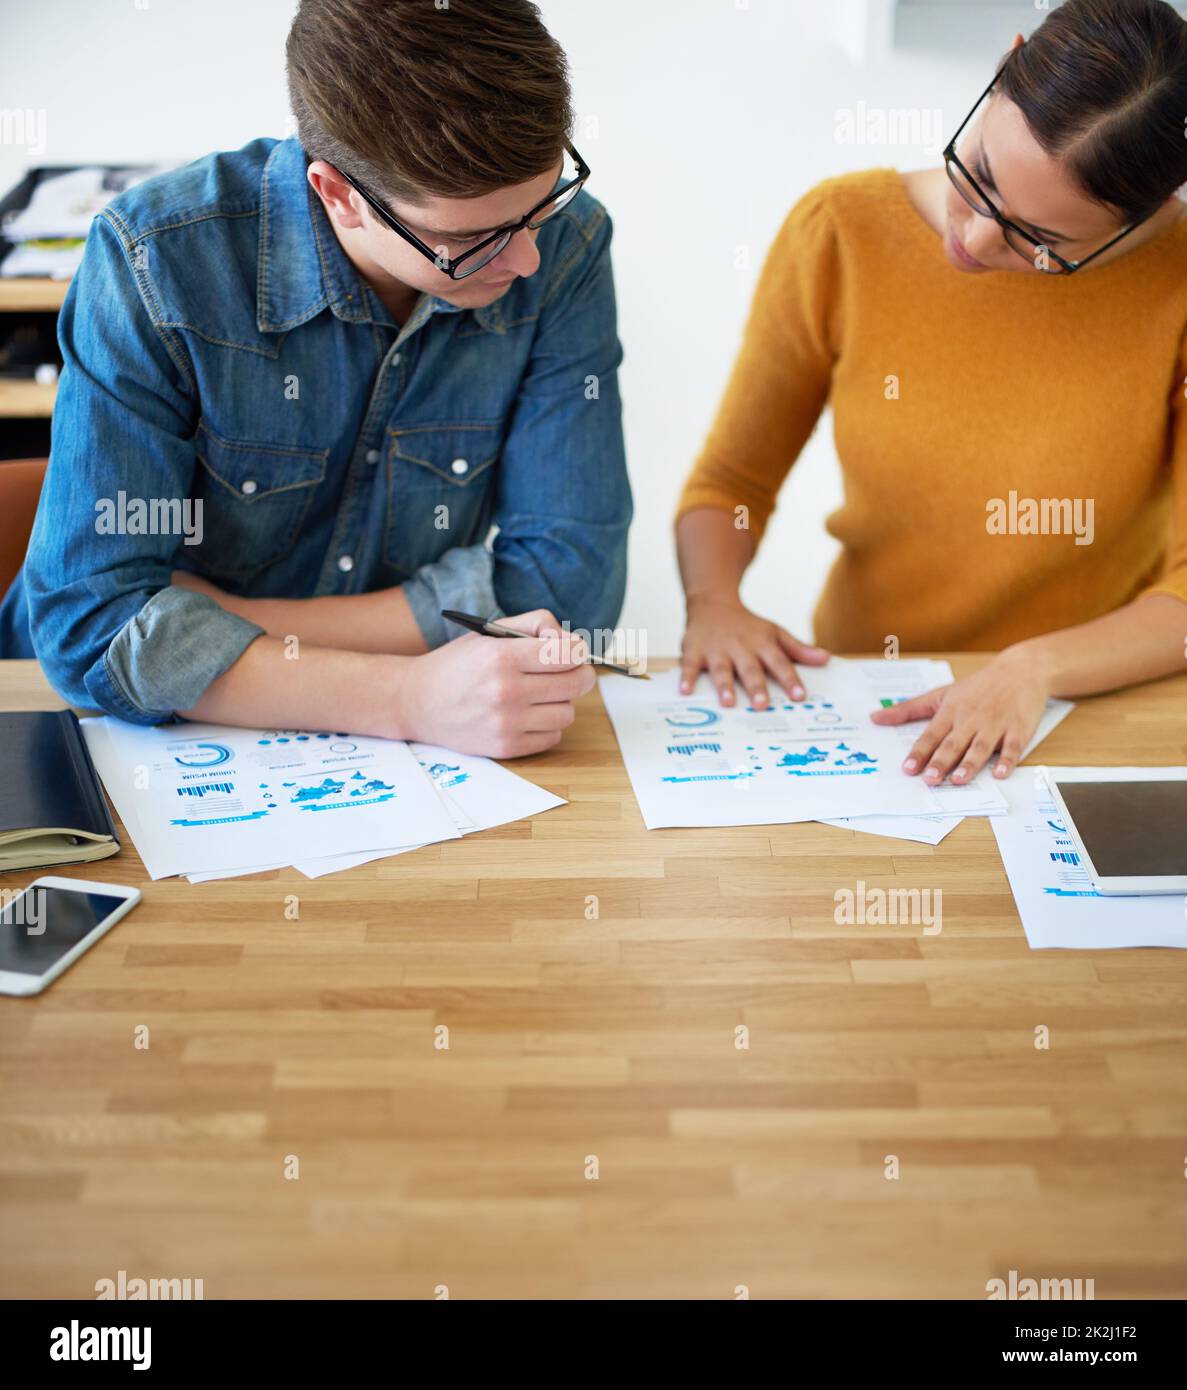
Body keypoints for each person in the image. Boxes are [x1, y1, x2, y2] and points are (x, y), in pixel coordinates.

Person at [0, 0, 631, 760]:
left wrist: (223, 619)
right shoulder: (156, 262)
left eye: (540, 207)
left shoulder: (567, 245)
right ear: (337, 193)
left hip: (423, 750)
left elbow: (574, 591)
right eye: (471, 241)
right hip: (129, 747)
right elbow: (90, 632)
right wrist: (406, 696)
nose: (525, 260)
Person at [675, 0, 1187, 787]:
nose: (973, 242)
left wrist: (1032, 669)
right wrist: (713, 600)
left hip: (1095, 709)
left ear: (1144, 214)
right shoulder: (840, 231)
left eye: (1041, 241)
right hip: (870, 701)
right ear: (1000, 66)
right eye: (977, 174)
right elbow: (731, 485)